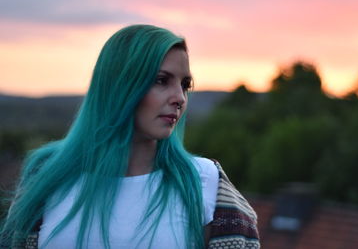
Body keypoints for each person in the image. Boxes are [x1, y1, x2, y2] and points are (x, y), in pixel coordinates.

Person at [0, 25, 259, 248]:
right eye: (161, 80)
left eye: (185, 85)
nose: (180, 98)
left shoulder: (205, 182)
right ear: (120, 84)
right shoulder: (46, 176)